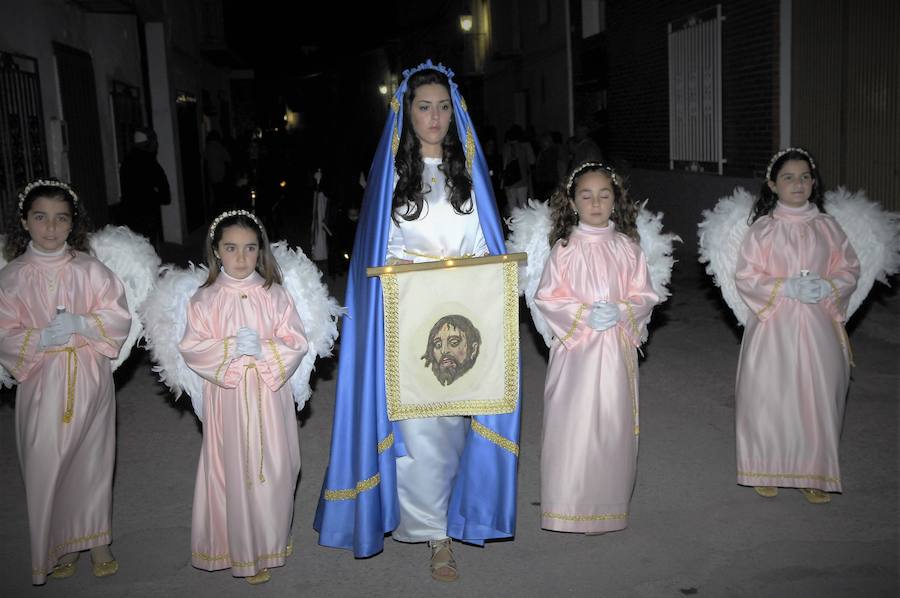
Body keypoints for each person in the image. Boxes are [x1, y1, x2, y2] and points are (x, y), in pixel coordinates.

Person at [314, 60, 520, 582]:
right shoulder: (391, 178)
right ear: (407, 113)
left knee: (453, 421)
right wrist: (401, 270)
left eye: (443, 107)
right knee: (420, 427)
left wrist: (489, 275)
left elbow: (482, 242)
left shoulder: (469, 172)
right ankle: (435, 534)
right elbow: (377, 249)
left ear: (456, 112)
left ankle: (449, 514)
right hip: (409, 312)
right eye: (424, 107)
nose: (434, 117)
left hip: (460, 310)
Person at [0, 179, 131, 585]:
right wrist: (38, 337)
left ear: (72, 223)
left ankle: (97, 541)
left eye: (61, 219)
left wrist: (83, 323)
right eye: (41, 218)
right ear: (24, 221)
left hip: (88, 373)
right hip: (41, 378)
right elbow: (4, 329)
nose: (51, 228)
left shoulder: (90, 269)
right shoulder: (14, 277)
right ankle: (59, 543)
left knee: (92, 459)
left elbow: (118, 315)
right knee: (45, 462)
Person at [178, 210, 309, 585]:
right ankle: (246, 548)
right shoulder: (204, 300)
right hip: (230, 396)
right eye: (231, 248)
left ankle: (272, 537)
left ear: (260, 252)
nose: (240, 257)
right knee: (235, 469)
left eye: (250, 249)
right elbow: (192, 346)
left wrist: (265, 349)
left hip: (269, 394)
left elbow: (296, 341)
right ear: (217, 251)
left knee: (279, 465)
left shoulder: (276, 295)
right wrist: (231, 350)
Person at [533, 163, 659, 534]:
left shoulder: (627, 248)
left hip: (615, 352)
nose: (596, 202)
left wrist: (622, 310)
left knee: (611, 424)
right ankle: (567, 505)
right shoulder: (565, 249)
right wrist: (584, 314)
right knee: (573, 425)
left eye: (605, 194)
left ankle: (607, 505)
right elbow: (547, 297)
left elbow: (646, 294)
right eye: (586, 195)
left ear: (615, 200)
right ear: (572, 202)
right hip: (576, 355)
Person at [734, 148, 859, 503]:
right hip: (774, 323)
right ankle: (766, 465)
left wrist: (829, 286)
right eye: (788, 177)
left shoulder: (827, 227)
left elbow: (848, 268)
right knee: (772, 394)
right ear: (773, 184)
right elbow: (746, 274)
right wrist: (784, 286)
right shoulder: (764, 230)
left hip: (818, 323)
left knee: (817, 394)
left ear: (814, 182)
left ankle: (813, 471)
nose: (798, 183)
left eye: (805, 176)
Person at [119, 128, 170, 249]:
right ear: (149, 144)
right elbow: (166, 196)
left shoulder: (126, 163)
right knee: (149, 251)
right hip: (148, 217)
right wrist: (153, 196)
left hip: (129, 216)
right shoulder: (151, 164)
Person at [501, 124, 535, 215]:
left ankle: (514, 227)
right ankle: (523, 228)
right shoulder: (525, 146)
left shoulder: (506, 147)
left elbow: (504, 165)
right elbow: (532, 161)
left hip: (509, 181)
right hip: (523, 180)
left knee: (513, 208)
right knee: (523, 207)